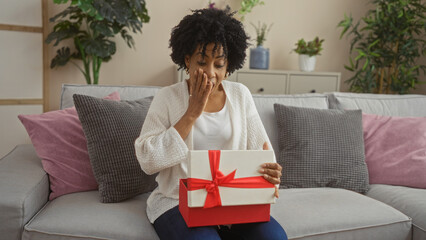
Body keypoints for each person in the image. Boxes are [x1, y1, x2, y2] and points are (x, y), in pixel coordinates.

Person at [135, 8, 287, 240]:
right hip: (176, 201)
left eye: (219, 65)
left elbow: (263, 152)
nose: (210, 72)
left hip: (234, 201)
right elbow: (147, 159)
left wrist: (271, 171)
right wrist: (191, 113)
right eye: (202, 62)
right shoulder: (167, 98)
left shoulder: (240, 95)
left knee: (274, 237)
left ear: (229, 68)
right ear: (187, 60)